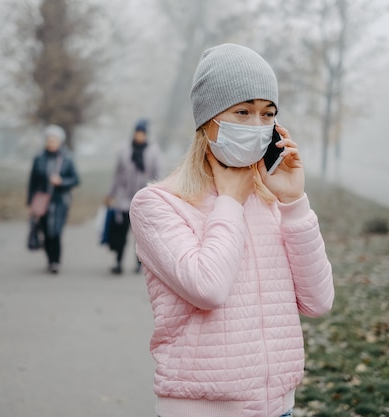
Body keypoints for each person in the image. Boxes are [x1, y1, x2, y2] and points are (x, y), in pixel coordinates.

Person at [129, 44, 334, 417]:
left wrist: (293, 202)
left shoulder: (271, 202)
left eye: (267, 114)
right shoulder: (157, 204)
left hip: (278, 409)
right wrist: (229, 202)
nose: (258, 125)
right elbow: (208, 288)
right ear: (207, 120)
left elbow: (318, 302)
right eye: (243, 111)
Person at [104, 119, 160, 275]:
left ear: (146, 135)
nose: (139, 136)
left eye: (142, 133)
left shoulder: (153, 151)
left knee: (140, 235)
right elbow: (117, 174)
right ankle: (118, 262)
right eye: (137, 133)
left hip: (144, 197)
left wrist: (158, 195)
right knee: (120, 232)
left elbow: (158, 174)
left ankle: (139, 263)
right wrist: (111, 194)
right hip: (124, 197)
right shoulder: (124, 150)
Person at [27, 125, 80, 274]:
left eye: (54, 140)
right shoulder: (39, 159)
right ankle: (50, 259)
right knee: (45, 230)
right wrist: (31, 201)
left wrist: (61, 181)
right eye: (49, 139)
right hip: (42, 201)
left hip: (60, 201)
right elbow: (32, 181)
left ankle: (55, 261)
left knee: (56, 231)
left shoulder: (67, 159)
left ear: (59, 141)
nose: (51, 142)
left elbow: (75, 179)